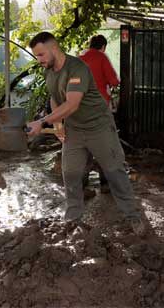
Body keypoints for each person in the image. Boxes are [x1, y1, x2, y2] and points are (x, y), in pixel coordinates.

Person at [25, 31, 145, 236]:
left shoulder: (77, 68)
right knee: (70, 173)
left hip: (99, 127)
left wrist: (42, 122)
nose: (39, 60)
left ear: (54, 49)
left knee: (114, 172)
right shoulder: (50, 72)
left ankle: (133, 217)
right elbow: (56, 99)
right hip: (75, 130)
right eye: (36, 56)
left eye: (41, 55)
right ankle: (73, 221)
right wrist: (58, 125)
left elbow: (72, 103)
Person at [79, 34, 120, 194]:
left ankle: (82, 184)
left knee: (84, 144)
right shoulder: (101, 57)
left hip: (79, 107)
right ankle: (105, 183)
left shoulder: (80, 57)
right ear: (103, 46)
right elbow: (114, 81)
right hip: (99, 107)